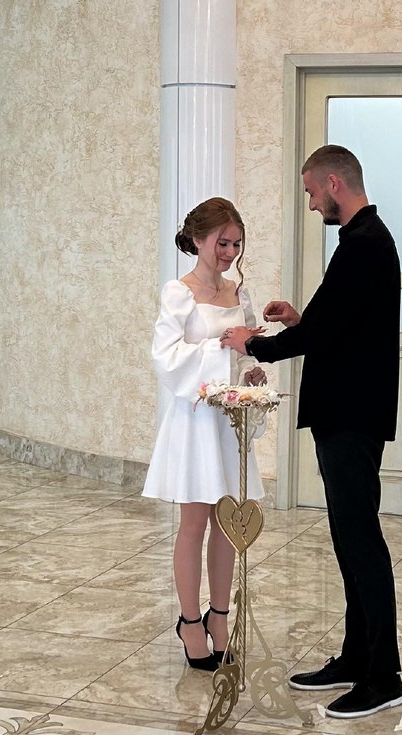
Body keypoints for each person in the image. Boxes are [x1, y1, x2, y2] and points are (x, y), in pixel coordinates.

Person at [221, 145, 402, 719]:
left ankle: (383, 675)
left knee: (360, 541)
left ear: (333, 183)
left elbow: (326, 337)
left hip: (351, 415)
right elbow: (341, 327)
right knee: (349, 539)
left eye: (310, 192)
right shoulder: (361, 241)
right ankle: (356, 656)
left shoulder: (365, 245)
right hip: (347, 411)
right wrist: (302, 320)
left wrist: (253, 345)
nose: (310, 203)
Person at [142, 197, 266, 672]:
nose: (229, 253)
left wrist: (251, 371)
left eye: (236, 244)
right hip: (195, 421)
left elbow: (244, 353)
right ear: (198, 240)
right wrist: (221, 347)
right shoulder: (180, 292)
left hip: (227, 422)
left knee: (228, 524)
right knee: (193, 523)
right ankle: (190, 622)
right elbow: (166, 358)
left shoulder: (238, 293)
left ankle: (220, 616)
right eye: (222, 243)